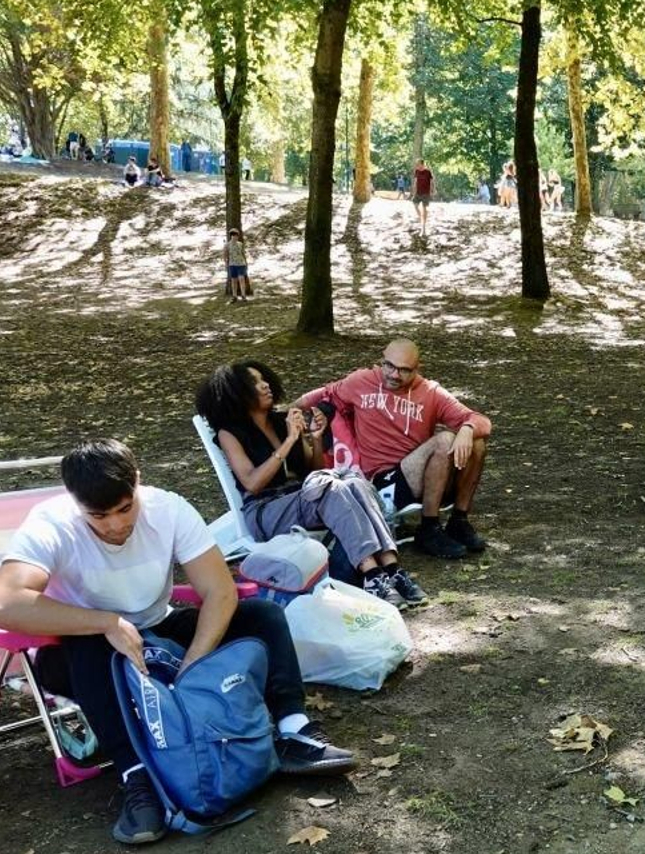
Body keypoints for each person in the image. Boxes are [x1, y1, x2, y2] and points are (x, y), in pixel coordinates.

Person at [0, 439, 356, 845]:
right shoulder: (50, 523)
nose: (114, 525)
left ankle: (292, 731)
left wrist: (193, 663)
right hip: (86, 654)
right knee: (90, 646)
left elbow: (220, 591)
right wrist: (105, 622)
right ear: (74, 503)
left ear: (137, 484)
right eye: (98, 515)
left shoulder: (168, 508)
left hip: (159, 630)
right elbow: (4, 603)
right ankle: (136, 779)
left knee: (260, 616)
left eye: (125, 508)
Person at [196, 361, 427, 607]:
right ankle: (371, 574)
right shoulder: (229, 433)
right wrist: (290, 440)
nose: (265, 385)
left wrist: (316, 439)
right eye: (254, 382)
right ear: (237, 393)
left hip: (305, 497)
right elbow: (252, 483)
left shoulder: (281, 420)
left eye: (264, 379)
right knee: (333, 488)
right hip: (266, 510)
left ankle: (392, 569)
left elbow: (315, 472)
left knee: (352, 481)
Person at [296, 340, 493, 559]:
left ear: (417, 369)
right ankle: (429, 528)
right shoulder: (362, 381)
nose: (394, 375)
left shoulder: (430, 392)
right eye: (389, 366)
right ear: (381, 360)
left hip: (420, 474)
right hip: (380, 482)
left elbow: (481, 421)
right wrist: (292, 409)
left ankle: (459, 521)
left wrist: (467, 427)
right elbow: (328, 392)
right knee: (445, 439)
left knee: (477, 442)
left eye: (404, 370)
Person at [224, 228, 251, 302]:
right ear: (231, 236)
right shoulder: (227, 245)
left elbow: (243, 254)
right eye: (233, 235)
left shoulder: (240, 244)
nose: (235, 237)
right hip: (232, 265)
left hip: (241, 264)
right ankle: (234, 296)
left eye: (236, 235)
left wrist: (246, 262)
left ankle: (243, 295)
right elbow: (225, 255)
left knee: (242, 280)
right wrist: (226, 264)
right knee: (234, 281)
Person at [410, 159, 433, 234]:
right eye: (417, 164)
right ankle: (421, 217)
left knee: (424, 208)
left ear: (422, 164)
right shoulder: (417, 171)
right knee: (415, 205)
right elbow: (415, 181)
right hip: (418, 192)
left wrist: (433, 190)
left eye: (418, 164)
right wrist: (413, 191)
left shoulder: (428, 172)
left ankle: (424, 224)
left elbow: (432, 181)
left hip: (426, 192)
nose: (417, 165)